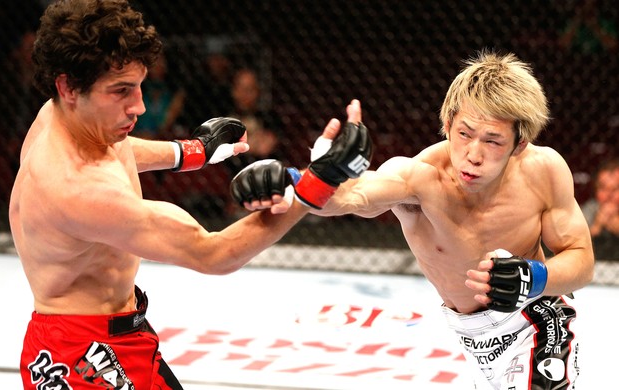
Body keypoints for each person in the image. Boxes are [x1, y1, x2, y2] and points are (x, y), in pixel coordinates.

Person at [9, 1, 372, 389]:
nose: (140, 106)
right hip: (83, 359)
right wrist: (318, 182)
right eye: (121, 91)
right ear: (68, 87)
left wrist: (190, 152)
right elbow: (212, 253)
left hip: (112, 335)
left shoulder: (63, 116)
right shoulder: (78, 190)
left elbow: (117, 149)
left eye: (139, 86)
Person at [233, 50, 594, 389]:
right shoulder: (418, 177)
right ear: (448, 123)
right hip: (473, 335)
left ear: (519, 143)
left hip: (539, 316)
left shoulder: (543, 171)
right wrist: (299, 181)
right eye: (464, 133)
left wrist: (535, 278)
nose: (473, 154)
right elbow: (350, 197)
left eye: (493, 141)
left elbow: (582, 261)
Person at [581, 158, 619, 259]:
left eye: (614, 189)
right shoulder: (590, 208)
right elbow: (575, 242)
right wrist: (596, 226)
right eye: (603, 188)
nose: (608, 195)